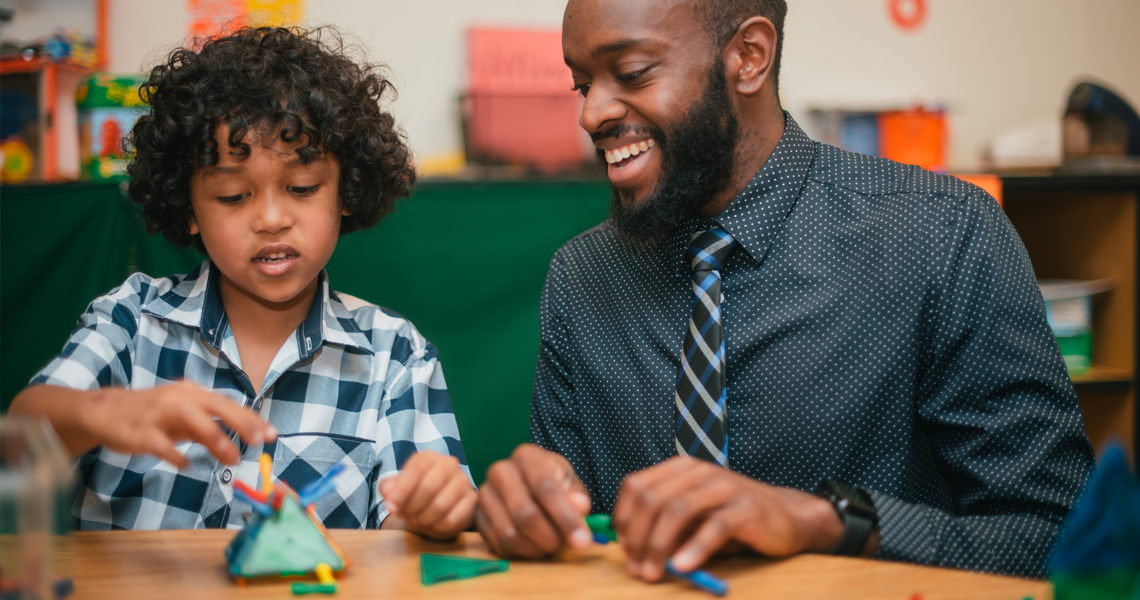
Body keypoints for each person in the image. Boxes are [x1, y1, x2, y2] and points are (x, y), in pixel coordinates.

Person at [474, 0, 1094, 579]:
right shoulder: (582, 278)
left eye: (632, 73)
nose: (591, 113)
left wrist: (824, 523)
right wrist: (527, 514)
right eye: (582, 84)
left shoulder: (938, 234)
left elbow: (1063, 538)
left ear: (749, 56)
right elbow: (570, 536)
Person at [8, 27, 476, 539]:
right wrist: (102, 413)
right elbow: (24, 431)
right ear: (189, 208)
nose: (272, 218)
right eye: (233, 196)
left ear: (346, 190)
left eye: (301, 187)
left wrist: (435, 508)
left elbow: (420, 521)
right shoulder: (132, 320)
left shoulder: (395, 356)